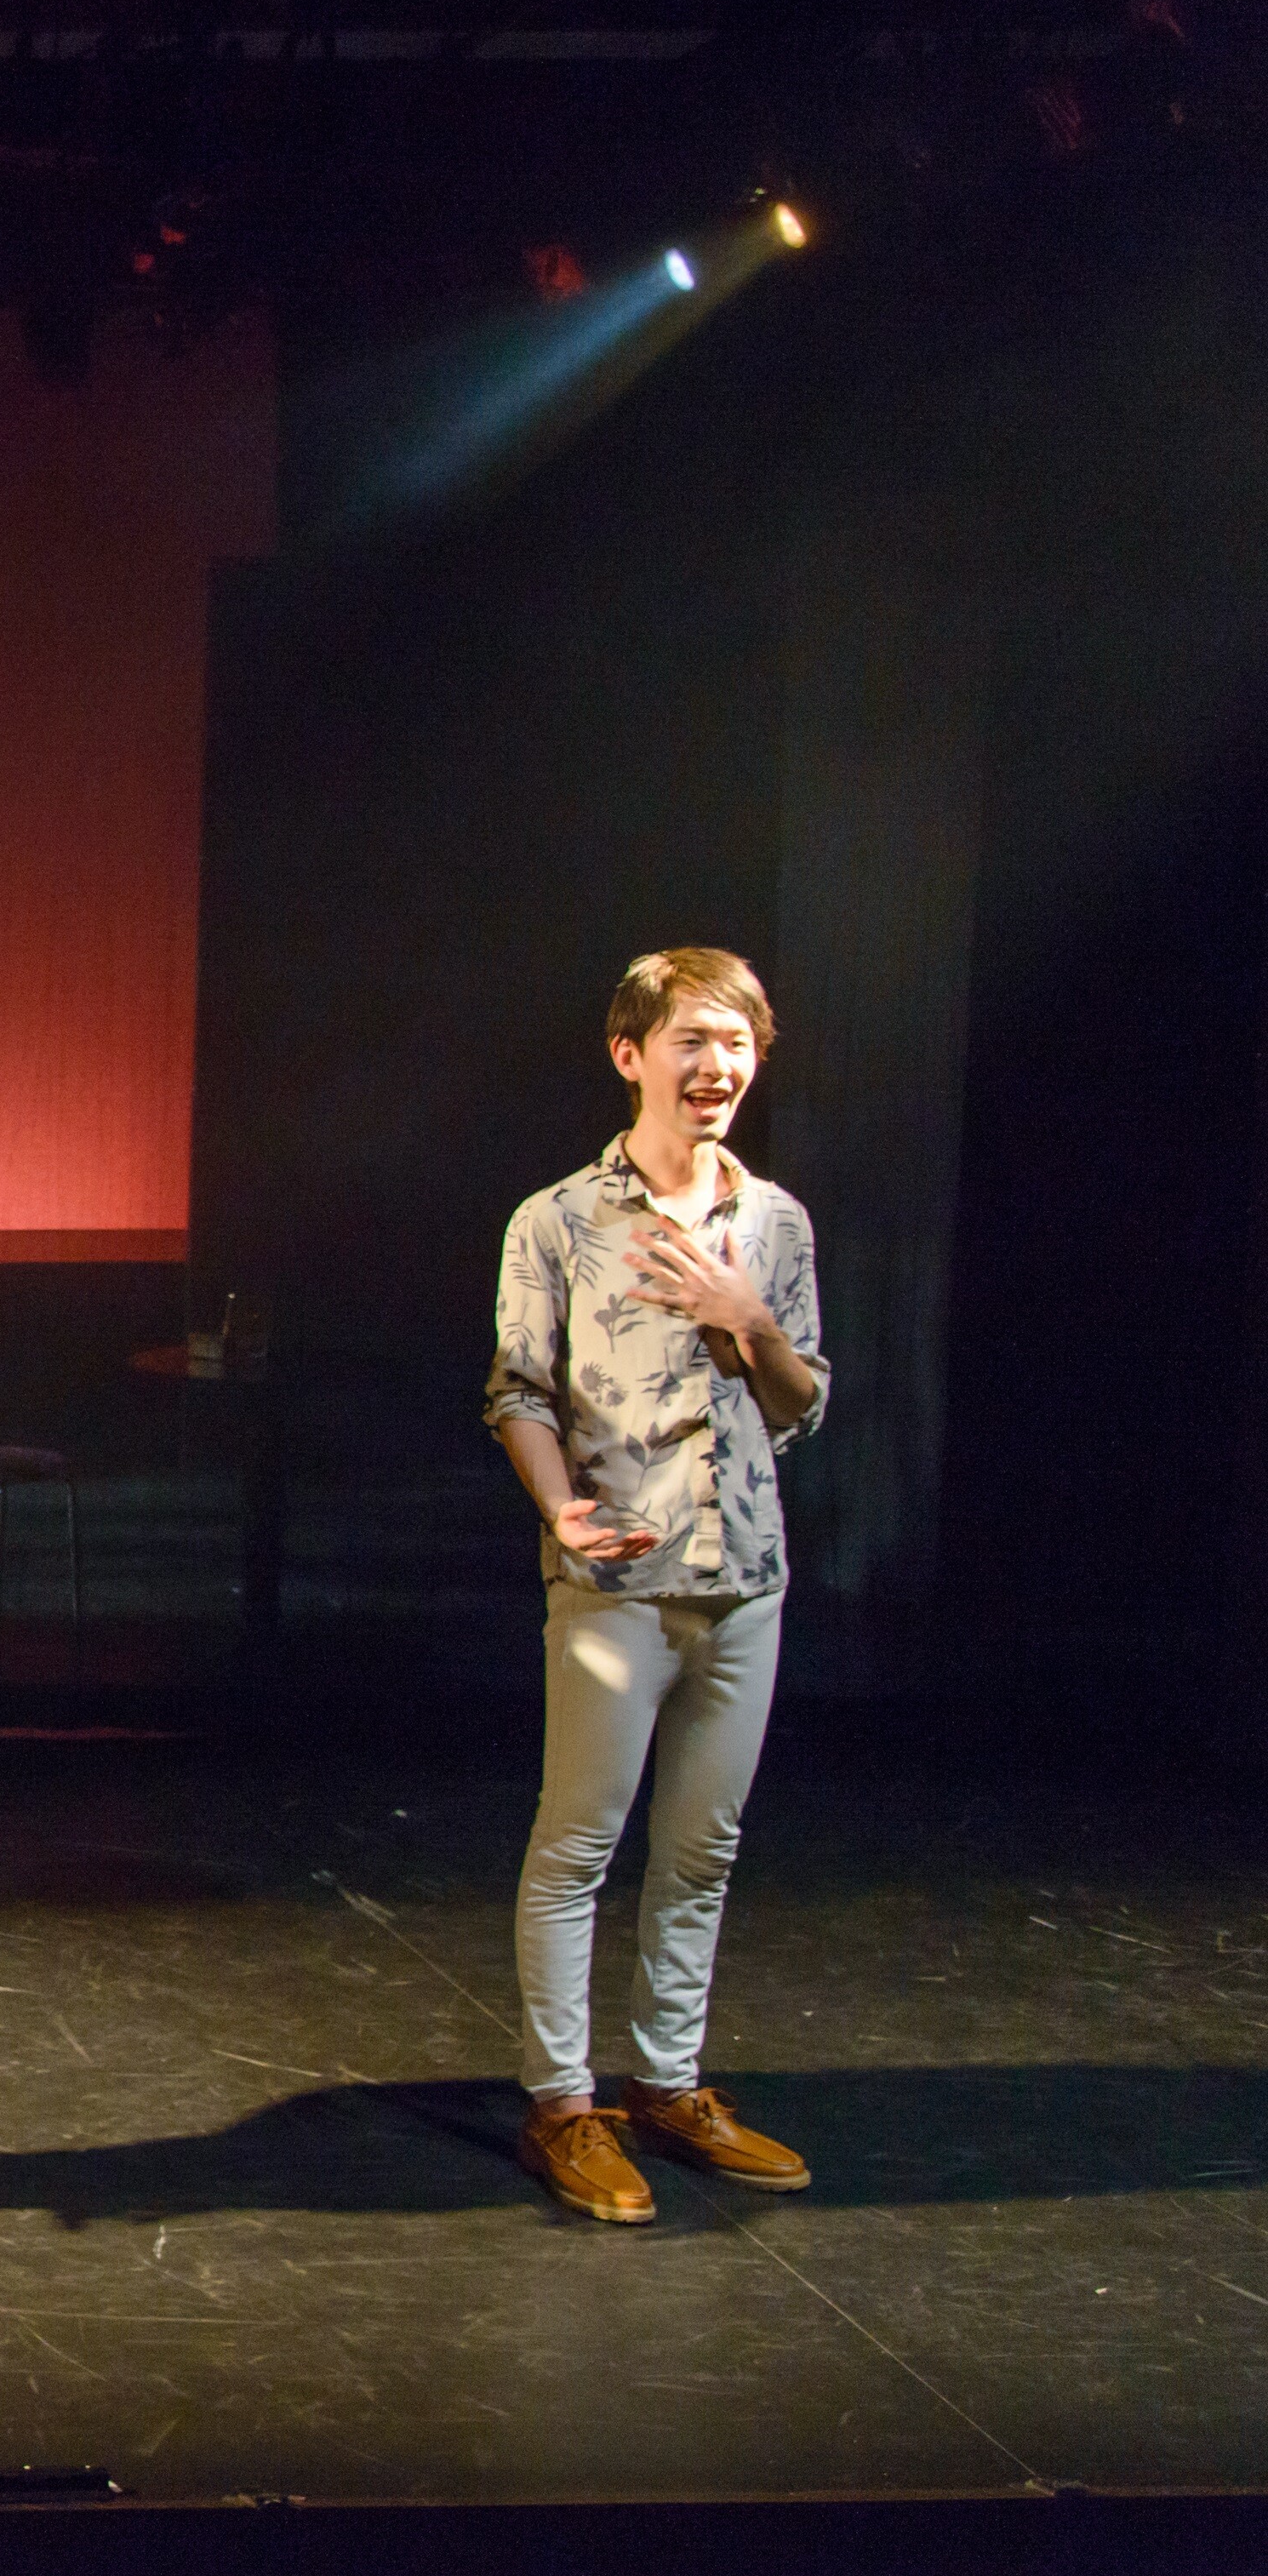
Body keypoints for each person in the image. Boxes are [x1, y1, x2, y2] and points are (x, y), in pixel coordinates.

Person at [483, 945, 831, 2226]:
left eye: (737, 1042)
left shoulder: (775, 1223)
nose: (718, 1065)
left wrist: (752, 1319)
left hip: (744, 1577)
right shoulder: (558, 1220)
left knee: (702, 1849)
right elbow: (518, 1390)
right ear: (631, 1054)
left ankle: (669, 2085)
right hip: (616, 1582)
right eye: (694, 1039)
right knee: (577, 1843)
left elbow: (799, 1406)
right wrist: (559, 1505)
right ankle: (561, 2104)